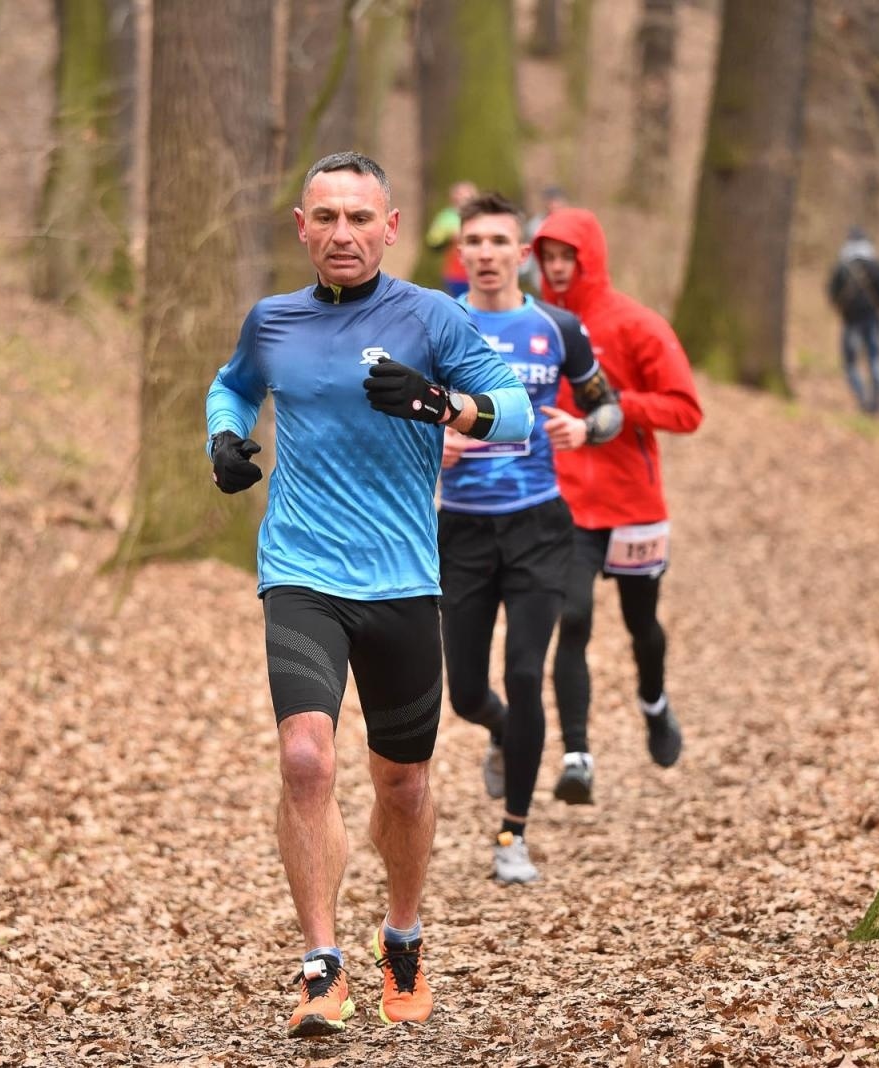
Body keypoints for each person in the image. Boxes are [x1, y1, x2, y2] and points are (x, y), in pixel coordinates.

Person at [206, 151, 533, 1038]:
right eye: (326, 217)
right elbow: (231, 385)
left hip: (401, 579)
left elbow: (518, 415)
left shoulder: (434, 316)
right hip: (302, 571)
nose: (342, 233)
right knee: (307, 762)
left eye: (361, 218)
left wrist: (440, 405)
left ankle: (404, 936)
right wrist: (226, 439)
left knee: (404, 781)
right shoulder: (273, 321)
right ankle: (321, 967)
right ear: (301, 228)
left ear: (391, 228)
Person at [439, 193, 622, 884]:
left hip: (540, 527)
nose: (486, 254)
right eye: (474, 242)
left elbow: (606, 406)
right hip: (460, 527)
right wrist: (435, 441)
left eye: (499, 242)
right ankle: (498, 731)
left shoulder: (559, 326)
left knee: (524, 673)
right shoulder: (438, 324)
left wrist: (585, 429)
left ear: (522, 254)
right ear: (462, 253)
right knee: (465, 693)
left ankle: (512, 834)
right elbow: (401, 411)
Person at [531, 207, 703, 806]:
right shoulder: (536, 325)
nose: (555, 269)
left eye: (565, 258)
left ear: (589, 258)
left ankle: (654, 704)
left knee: (642, 627)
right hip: (566, 505)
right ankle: (577, 756)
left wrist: (617, 407)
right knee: (571, 618)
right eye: (547, 258)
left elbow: (686, 410)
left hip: (632, 504)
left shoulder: (636, 325)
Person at [827, 226, 879, 415]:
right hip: (872, 319)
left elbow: (832, 291)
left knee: (851, 363)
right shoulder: (876, 265)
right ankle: (877, 401)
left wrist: (841, 308)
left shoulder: (842, 266)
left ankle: (863, 398)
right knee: (875, 358)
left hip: (850, 321)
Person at [423, 180, 479, 296]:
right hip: (455, 274)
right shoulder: (446, 217)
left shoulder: (481, 216)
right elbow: (432, 243)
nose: (462, 200)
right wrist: (450, 237)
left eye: (466, 196)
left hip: (479, 271)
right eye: (459, 195)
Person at [518, 184, 569, 292]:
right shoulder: (535, 225)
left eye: (557, 201)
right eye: (551, 201)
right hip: (540, 279)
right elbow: (528, 251)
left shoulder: (571, 224)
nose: (554, 205)